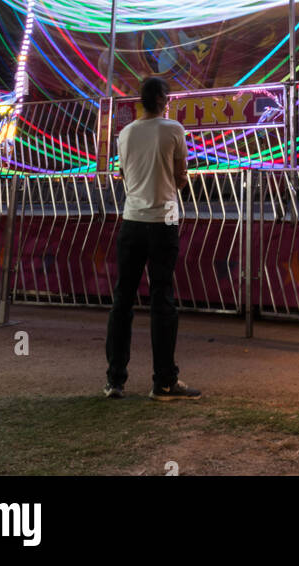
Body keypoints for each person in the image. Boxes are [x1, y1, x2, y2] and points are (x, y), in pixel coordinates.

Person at [104, 76, 202, 401]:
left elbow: (123, 174)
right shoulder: (173, 129)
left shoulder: (125, 133)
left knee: (123, 300)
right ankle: (163, 381)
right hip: (164, 219)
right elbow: (179, 178)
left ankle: (115, 380)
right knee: (162, 298)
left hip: (131, 220)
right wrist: (182, 177)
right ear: (161, 99)